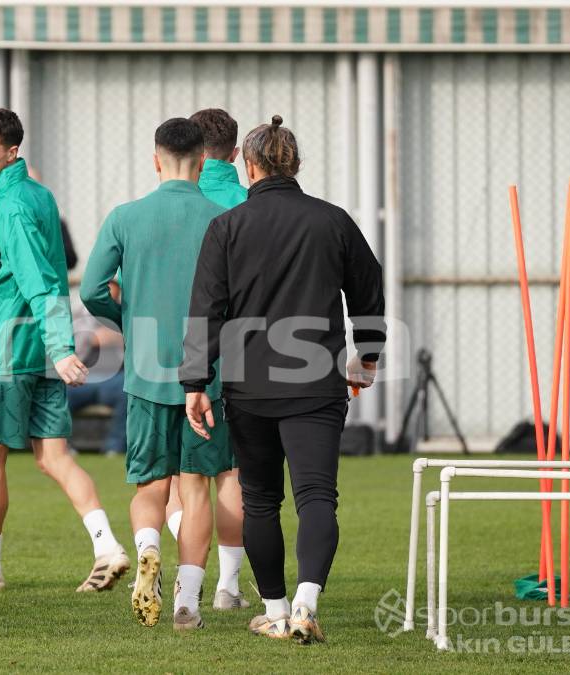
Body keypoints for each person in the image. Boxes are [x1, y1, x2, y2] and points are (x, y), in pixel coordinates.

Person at [180, 115, 385, 643]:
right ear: (294, 163)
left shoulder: (226, 227)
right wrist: (368, 355)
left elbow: (207, 310)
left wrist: (195, 385)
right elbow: (368, 289)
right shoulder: (333, 221)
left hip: (249, 386)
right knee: (317, 496)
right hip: (316, 382)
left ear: (248, 168)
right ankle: (306, 603)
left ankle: (274, 609)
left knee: (261, 499)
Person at [0, 108, 129, 592]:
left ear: (12, 151)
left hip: (9, 349)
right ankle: (106, 546)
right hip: (44, 351)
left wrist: (58, 345)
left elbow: (39, 280)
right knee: (53, 456)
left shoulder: (9, 206)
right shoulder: (39, 195)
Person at [81, 118, 229, 630]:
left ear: (155, 159)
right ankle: (188, 601)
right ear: (205, 162)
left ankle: (148, 550)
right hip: (206, 376)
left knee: (149, 484)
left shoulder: (126, 217)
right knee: (196, 489)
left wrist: (130, 320)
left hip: (145, 371)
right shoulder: (223, 216)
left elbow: (93, 288)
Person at [162, 107, 251, 612]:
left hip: (171, 356)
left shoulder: (176, 202)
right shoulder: (246, 202)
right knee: (233, 476)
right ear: (235, 153)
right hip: (238, 357)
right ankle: (229, 586)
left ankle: (179, 575)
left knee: (182, 480)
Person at [67, 280, 126, 457]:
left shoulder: (127, 314)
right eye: (105, 288)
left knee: (129, 390)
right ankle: (63, 446)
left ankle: (114, 447)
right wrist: (90, 338)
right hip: (84, 378)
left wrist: (120, 337)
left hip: (114, 380)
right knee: (59, 392)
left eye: (113, 288)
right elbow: (69, 349)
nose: (109, 292)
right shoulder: (80, 316)